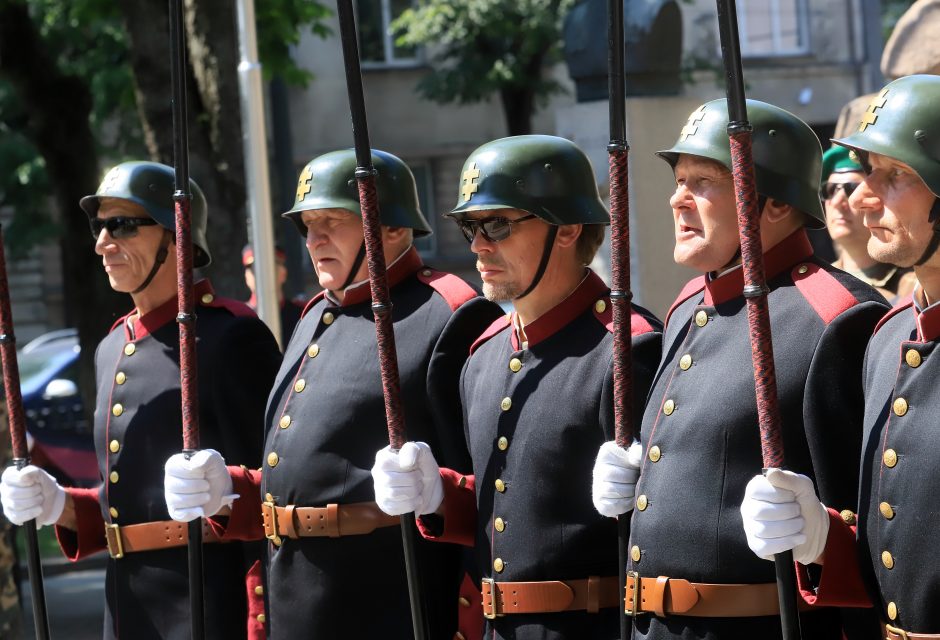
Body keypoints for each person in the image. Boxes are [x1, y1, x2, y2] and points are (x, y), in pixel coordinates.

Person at [161, 149, 503, 639]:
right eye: (307, 225)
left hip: (388, 608)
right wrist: (227, 490)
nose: (314, 238)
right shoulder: (316, 316)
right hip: (295, 604)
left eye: (333, 221)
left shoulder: (448, 313)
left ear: (393, 227)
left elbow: (486, 499)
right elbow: (300, 483)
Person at [591, 100, 890, 639]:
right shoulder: (687, 304)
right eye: (678, 179)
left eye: (702, 181)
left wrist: (823, 536)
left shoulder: (839, 318)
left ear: (773, 203)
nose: (676, 199)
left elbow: (880, 525)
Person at [370, 135, 664, 639]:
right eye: (470, 227)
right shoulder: (481, 357)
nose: (479, 245)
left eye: (499, 225)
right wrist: (438, 495)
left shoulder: (627, 348)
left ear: (568, 228)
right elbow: (504, 510)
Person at [0, 161, 282, 639]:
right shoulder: (112, 346)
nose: (102, 243)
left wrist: (259, 622)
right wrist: (60, 506)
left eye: (123, 225)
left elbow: (271, 499)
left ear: (178, 236)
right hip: (126, 610)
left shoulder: (231, 337)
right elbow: (126, 510)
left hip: (208, 608)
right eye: (100, 226)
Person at [739, 74, 940, 640]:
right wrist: (823, 539)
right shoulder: (887, 337)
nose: (864, 195)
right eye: (866, 170)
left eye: (896, 174)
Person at [823, 145, 915, 302]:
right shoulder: (817, 283)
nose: (838, 202)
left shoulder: (915, 286)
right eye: (830, 190)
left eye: (852, 188)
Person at [241, 244, 306, 340]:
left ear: (283, 273)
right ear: (246, 277)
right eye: (253, 268)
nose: (261, 273)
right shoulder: (237, 317)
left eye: (269, 267)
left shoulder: (303, 314)